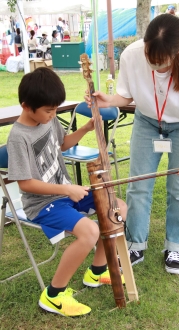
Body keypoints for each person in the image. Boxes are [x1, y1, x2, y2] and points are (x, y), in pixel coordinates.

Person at [85, 14, 179, 275]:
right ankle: (136, 244)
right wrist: (109, 100)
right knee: (138, 184)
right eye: (151, 59)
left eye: (162, 63)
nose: (155, 66)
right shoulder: (131, 55)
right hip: (147, 122)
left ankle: (175, 247)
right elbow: (127, 94)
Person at [7, 67, 126, 317]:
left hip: (66, 195)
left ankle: (97, 270)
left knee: (117, 207)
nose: (53, 115)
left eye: (55, 110)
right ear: (27, 106)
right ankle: (53, 295)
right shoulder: (18, 137)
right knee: (90, 231)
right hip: (43, 204)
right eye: (49, 111)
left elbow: (62, 144)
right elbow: (24, 184)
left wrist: (85, 128)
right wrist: (66, 189)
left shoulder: (46, 121)